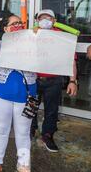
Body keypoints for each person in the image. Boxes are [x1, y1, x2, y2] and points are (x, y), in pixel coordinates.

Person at [0, 13, 37, 172]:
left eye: (20, 23)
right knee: (1, 130)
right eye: (14, 23)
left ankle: (24, 166)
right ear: (5, 29)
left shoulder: (34, 43)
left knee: (23, 132)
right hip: (1, 95)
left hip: (27, 96)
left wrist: (39, 37)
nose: (18, 25)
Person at [30, 9, 78, 153]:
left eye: (48, 18)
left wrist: (73, 81)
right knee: (30, 107)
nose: (44, 20)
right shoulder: (32, 35)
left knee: (51, 111)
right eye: (41, 18)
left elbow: (71, 60)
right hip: (34, 78)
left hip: (54, 80)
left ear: (54, 20)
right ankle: (30, 130)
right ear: (37, 21)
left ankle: (47, 135)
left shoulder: (63, 37)